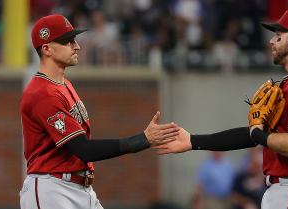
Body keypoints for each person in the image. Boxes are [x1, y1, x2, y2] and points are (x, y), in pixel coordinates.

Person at [155, 9, 288, 209]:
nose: (271, 41)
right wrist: (193, 141)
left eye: (278, 36)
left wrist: (259, 134)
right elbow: (252, 135)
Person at [19, 14, 179, 209]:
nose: (76, 46)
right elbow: (83, 149)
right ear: (47, 49)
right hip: (52, 189)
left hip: (79, 188)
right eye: (68, 41)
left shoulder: (63, 85)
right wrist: (141, 140)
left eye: (74, 40)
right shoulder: (42, 93)